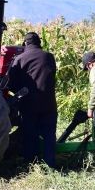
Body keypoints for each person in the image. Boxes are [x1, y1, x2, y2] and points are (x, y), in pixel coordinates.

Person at [7, 32, 58, 168]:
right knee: (49, 136)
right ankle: (50, 164)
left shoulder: (20, 59)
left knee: (30, 135)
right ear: (39, 42)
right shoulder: (49, 57)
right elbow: (53, 75)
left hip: (29, 104)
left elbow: (11, 83)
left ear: (25, 43)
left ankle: (31, 164)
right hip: (49, 104)